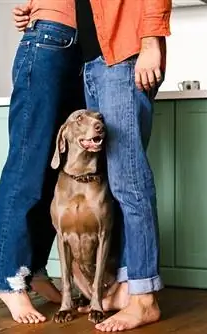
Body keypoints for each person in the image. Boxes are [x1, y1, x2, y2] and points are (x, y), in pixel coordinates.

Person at [0, 0, 85, 324]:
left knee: (54, 171)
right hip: (47, 41)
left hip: (81, 48)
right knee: (27, 165)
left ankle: (33, 268)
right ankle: (8, 278)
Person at [75, 0, 171, 331]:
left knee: (129, 183)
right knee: (116, 185)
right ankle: (131, 286)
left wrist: (150, 43)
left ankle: (144, 299)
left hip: (123, 57)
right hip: (97, 63)